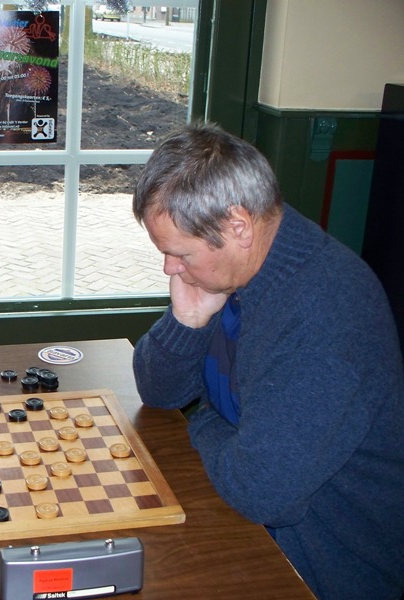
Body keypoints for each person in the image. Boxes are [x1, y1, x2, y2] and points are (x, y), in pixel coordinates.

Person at [131, 123, 404, 600]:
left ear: (238, 226)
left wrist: (202, 422)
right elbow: (159, 392)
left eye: (179, 254)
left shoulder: (329, 313)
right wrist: (187, 320)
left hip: (318, 564)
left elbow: (259, 491)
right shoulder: (234, 273)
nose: (169, 268)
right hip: (248, 519)